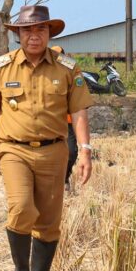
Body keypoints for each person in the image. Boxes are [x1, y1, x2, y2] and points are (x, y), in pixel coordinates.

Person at [0, 5, 94, 271]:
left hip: (54, 152)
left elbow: (78, 111)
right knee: (22, 208)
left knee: (49, 221)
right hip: (14, 150)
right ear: (18, 35)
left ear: (49, 33)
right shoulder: (0, 68)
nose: (34, 36)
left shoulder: (67, 68)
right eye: (27, 30)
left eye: (40, 29)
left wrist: (86, 151)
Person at [50, 46, 78, 191]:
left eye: (59, 55)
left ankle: (65, 178)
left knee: (72, 152)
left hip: (68, 122)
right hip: (51, 123)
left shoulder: (71, 72)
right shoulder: (45, 73)